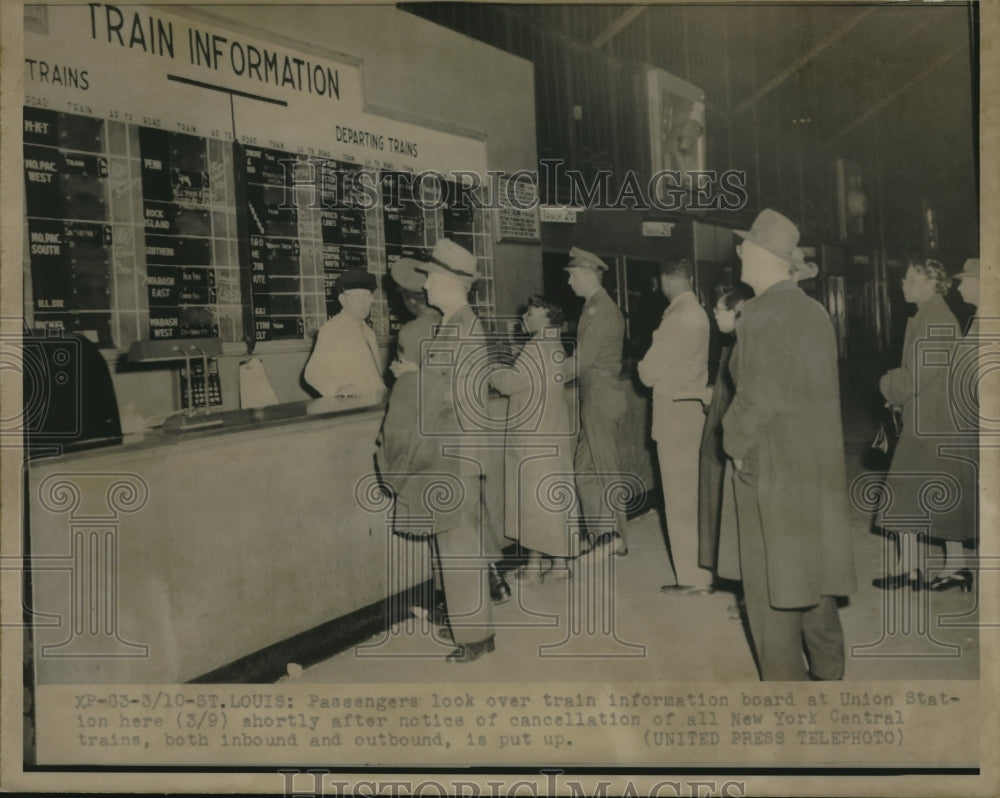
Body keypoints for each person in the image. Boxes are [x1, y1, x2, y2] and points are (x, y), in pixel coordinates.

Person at [722, 208, 856, 681]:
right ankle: (829, 672)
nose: (739, 252)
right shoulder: (814, 310)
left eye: (746, 245)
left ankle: (786, 701)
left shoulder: (759, 312)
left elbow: (758, 396)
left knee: (769, 587)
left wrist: (733, 442)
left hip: (773, 468)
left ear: (765, 257)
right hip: (814, 467)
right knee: (812, 574)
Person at [411, 237, 498, 663]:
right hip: (456, 447)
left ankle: (475, 635)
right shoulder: (455, 324)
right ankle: (473, 625)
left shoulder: (461, 327)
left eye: (430, 279)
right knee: (457, 544)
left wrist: (415, 381)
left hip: (456, 449)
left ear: (448, 282)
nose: (425, 287)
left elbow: (452, 395)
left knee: (459, 544)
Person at [874, 259, 977, 592]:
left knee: (911, 496)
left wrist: (886, 385)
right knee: (914, 497)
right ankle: (919, 567)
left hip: (934, 423)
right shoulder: (927, 315)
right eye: (905, 278)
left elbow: (916, 376)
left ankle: (927, 567)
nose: (905, 284)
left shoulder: (937, 319)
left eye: (913, 279)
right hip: (929, 418)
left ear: (935, 283)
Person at [637, 258, 711, 594]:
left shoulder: (678, 317)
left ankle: (690, 577)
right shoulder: (698, 312)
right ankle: (702, 571)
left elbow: (648, 372)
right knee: (691, 495)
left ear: (666, 280)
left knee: (679, 499)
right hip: (691, 413)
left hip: (674, 417)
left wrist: (642, 363)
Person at [491, 296, 576, 584]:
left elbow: (509, 384)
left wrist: (492, 369)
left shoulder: (535, 347)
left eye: (531, 313)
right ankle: (554, 565)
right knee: (549, 502)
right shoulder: (555, 345)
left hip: (532, 437)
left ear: (546, 319)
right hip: (552, 433)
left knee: (533, 503)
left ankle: (536, 569)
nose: (525, 317)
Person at [565, 247, 629, 555]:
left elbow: (582, 360)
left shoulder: (597, 309)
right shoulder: (598, 306)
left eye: (573, 275)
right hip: (599, 395)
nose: (569, 281)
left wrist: (545, 375)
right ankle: (606, 535)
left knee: (603, 469)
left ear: (589, 274)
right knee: (587, 468)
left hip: (600, 396)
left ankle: (615, 538)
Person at [697, 284, 753, 591]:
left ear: (738, 312)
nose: (714, 314)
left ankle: (747, 591)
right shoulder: (730, 346)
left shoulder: (744, 349)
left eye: (719, 310)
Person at [303, 268, 386, 401]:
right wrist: (338, 389)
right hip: (353, 407)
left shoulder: (368, 332)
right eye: (356, 296)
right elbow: (312, 373)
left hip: (374, 405)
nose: (363, 302)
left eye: (366, 296)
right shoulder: (332, 329)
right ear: (342, 300)